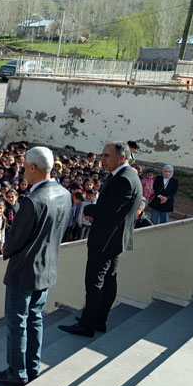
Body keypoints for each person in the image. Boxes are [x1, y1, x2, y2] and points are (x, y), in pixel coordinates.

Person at [0, 147, 71, 386]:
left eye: (25, 167)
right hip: (47, 268)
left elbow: (13, 241)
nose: (23, 171)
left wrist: (7, 249)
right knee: (35, 319)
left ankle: (16, 371)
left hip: (23, 271)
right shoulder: (63, 194)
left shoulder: (32, 200)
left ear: (33, 168)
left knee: (17, 322)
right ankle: (32, 367)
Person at [60, 142, 142, 338]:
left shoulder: (124, 180)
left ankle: (88, 325)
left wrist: (87, 209)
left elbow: (107, 210)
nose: (102, 159)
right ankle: (99, 321)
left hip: (105, 240)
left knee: (95, 283)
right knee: (108, 280)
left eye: (106, 156)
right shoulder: (126, 176)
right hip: (113, 240)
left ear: (121, 158)